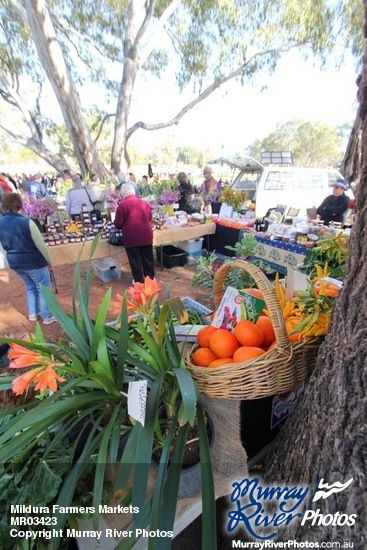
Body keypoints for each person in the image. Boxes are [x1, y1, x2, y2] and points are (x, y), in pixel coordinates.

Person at [0, 193, 56, 325]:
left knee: (30, 286)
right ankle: (47, 316)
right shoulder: (26, 222)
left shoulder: (1, 223)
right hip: (34, 261)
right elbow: (40, 244)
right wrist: (49, 260)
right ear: (18, 205)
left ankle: (33, 313)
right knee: (43, 288)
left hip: (15, 262)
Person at [114, 183, 155, 284]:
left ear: (123, 194)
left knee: (135, 260)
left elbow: (118, 224)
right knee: (148, 258)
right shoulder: (144, 203)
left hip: (132, 237)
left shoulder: (122, 205)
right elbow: (150, 218)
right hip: (146, 234)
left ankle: (138, 281)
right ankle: (150, 279)